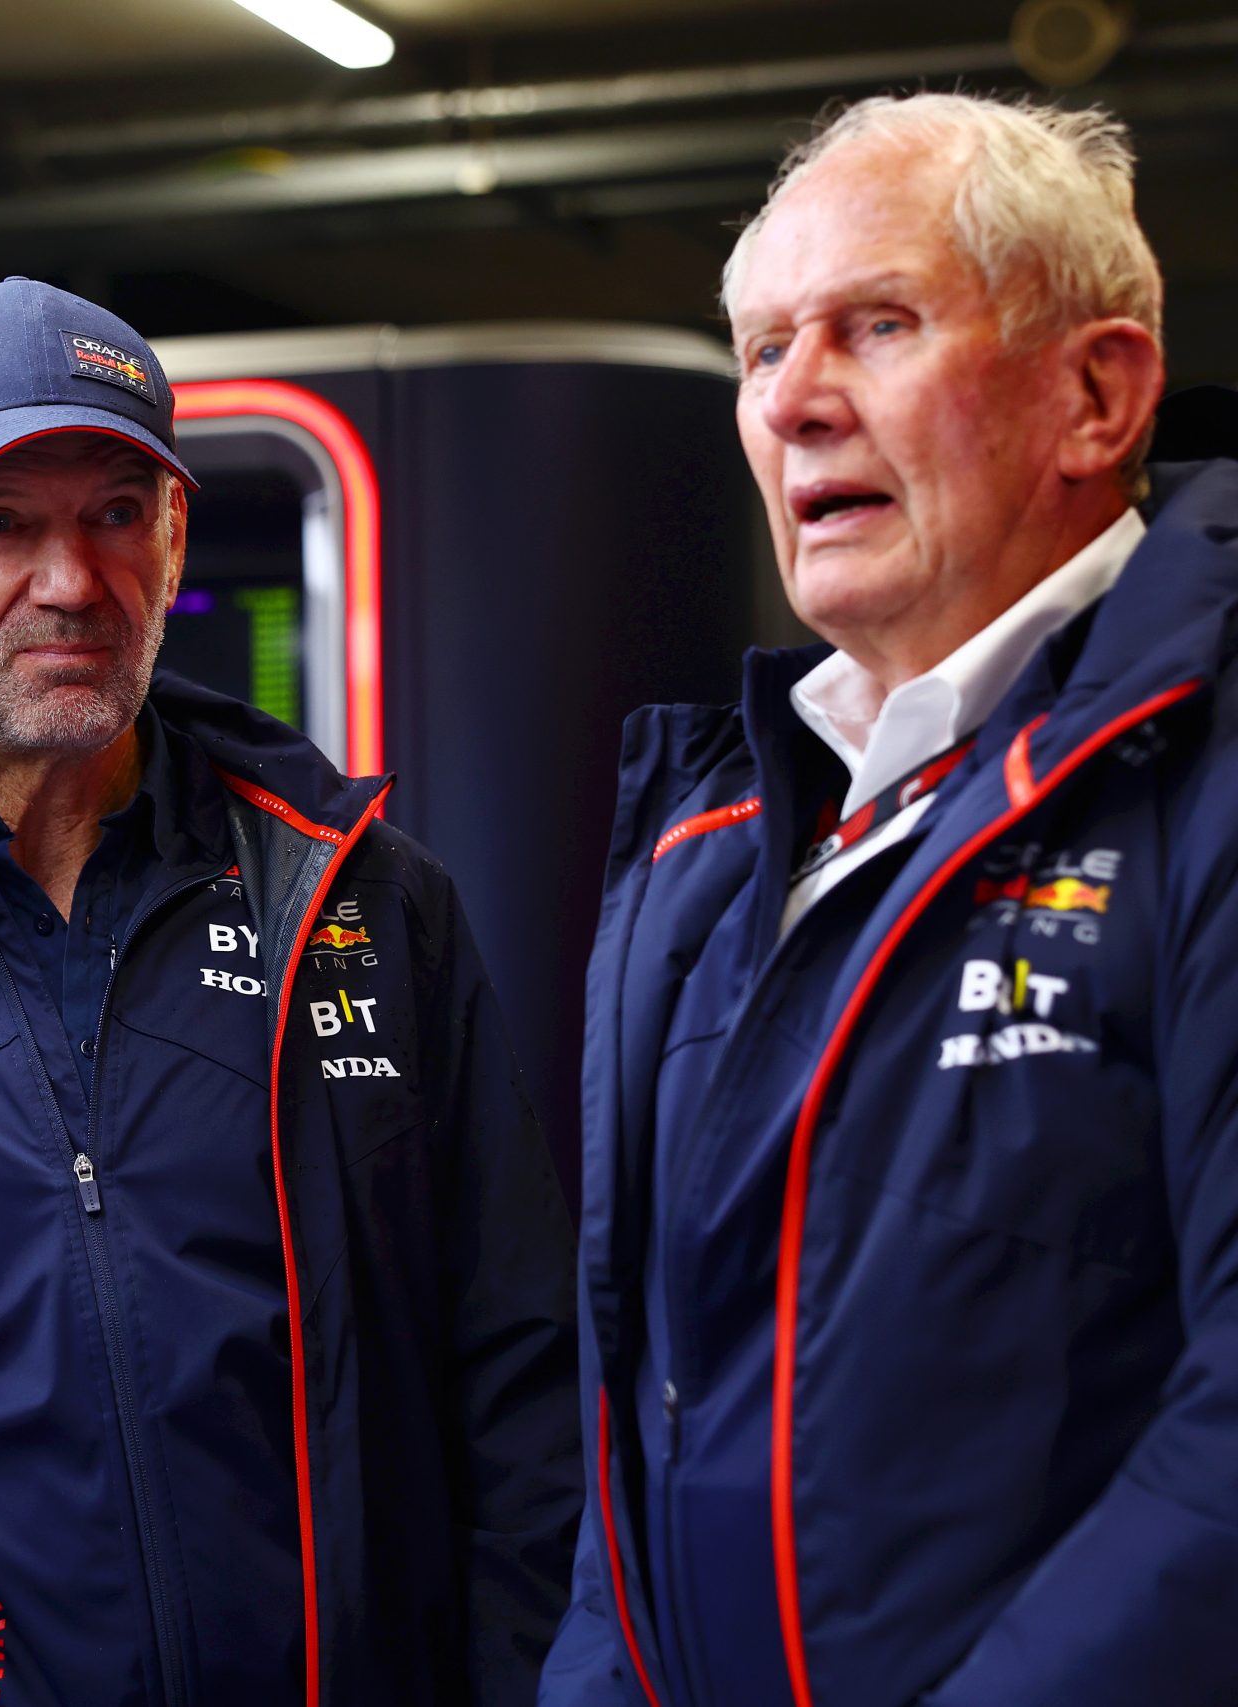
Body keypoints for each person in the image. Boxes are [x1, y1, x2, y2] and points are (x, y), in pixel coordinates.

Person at [0, 277, 580, 1707]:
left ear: (174, 531)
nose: (72, 580)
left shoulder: (363, 903)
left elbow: (521, 1384)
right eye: (1, 522)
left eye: (117, 512)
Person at [539, 93, 1238, 1707]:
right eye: (763, 350)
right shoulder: (701, 851)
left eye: (877, 326)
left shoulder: (1200, 769)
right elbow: (634, 1430)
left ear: (1096, 394)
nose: (796, 404)